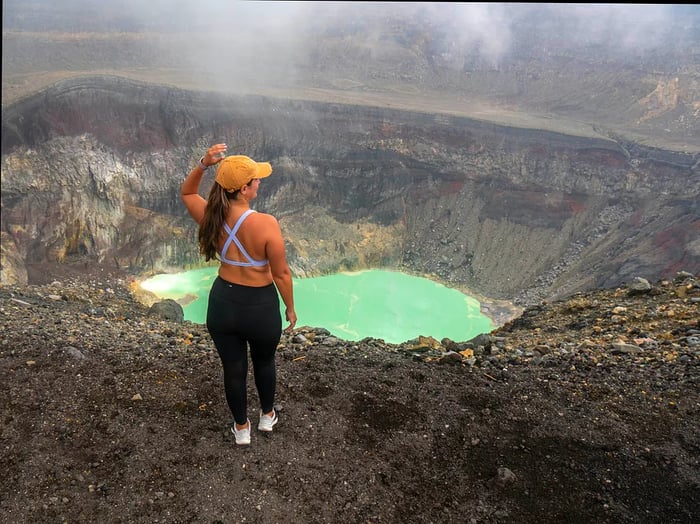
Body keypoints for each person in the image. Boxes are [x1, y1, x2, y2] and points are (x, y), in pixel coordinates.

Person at [181, 143, 296, 445]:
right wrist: (290, 308)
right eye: (256, 179)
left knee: (233, 368)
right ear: (244, 188)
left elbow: (187, 194)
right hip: (259, 305)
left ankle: (241, 428)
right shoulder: (266, 224)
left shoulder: (210, 216)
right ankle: (267, 416)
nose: (260, 181)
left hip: (223, 304)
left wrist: (203, 163)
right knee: (264, 362)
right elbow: (282, 273)